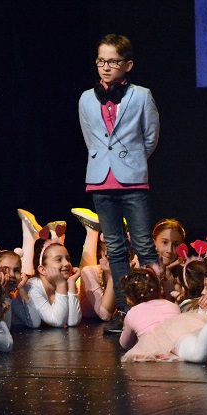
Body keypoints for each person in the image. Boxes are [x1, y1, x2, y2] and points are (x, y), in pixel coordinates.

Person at [79, 34, 160, 333]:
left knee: (143, 244)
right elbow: (90, 139)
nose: (105, 67)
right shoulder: (86, 98)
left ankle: (153, 306)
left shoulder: (141, 96)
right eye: (101, 61)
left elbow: (150, 137)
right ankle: (125, 310)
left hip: (132, 180)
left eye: (113, 62)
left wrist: (132, 161)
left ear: (128, 65)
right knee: (114, 247)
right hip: (100, 180)